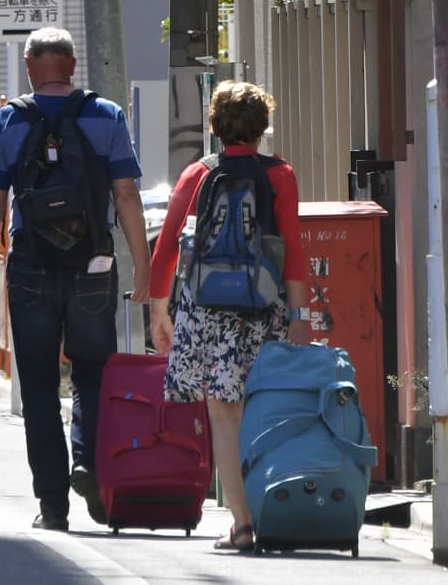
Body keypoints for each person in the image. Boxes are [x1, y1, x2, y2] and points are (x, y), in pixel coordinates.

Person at [0, 27, 151, 532]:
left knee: (41, 387)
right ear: (71, 65)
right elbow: (128, 198)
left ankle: (52, 506)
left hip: (30, 269)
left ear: (29, 67)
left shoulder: (9, 120)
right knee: (92, 372)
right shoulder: (105, 115)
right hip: (94, 265)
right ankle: (87, 461)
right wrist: (146, 271)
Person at [148, 80, 309, 553]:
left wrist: (161, 311)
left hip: (207, 309)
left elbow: (167, 248)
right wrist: (300, 314)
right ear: (262, 127)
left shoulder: (197, 173)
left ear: (215, 125)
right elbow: (294, 249)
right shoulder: (281, 175)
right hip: (262, 306)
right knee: (266, 409)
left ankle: (240, 525)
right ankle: (271, 509)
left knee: (223, 416)